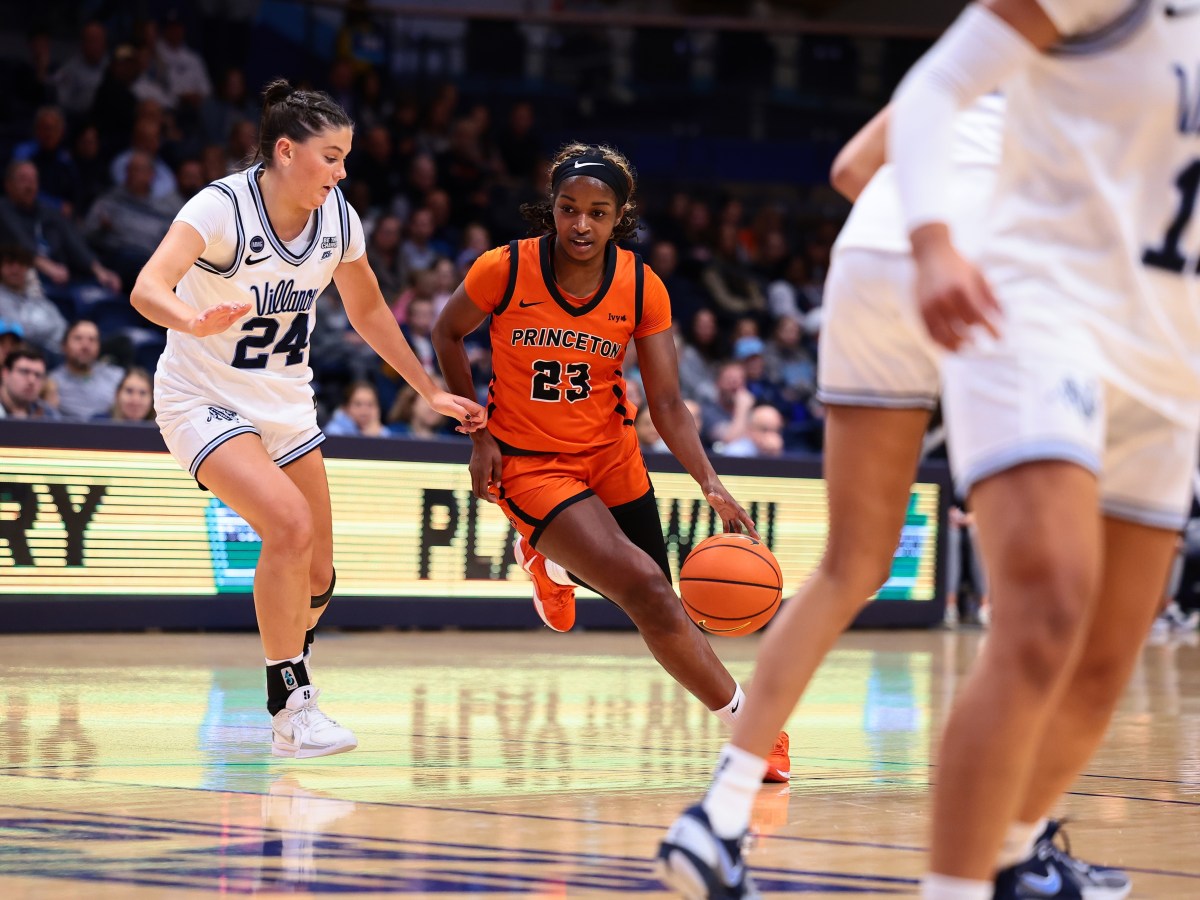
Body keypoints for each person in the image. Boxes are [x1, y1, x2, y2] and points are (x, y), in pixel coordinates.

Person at [658, 83, 1128, 900]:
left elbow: (849, 170)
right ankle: (1016, 854)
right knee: (1040, 607)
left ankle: (720, 814)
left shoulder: (978, 47)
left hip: (872, 255)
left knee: (850, 566)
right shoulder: (1142, 46)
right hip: (991, 268)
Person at [879, 3, 1200, 899]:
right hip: (1038, 311)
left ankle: (1012, 855)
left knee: (1104, 662)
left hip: (1173, 360)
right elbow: (935, 87)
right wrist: (934, 244)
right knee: (1048, 607)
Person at [130, 79, 484, 760]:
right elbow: (148, 285)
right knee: (287, 526)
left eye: (346, 158)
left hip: (286, 406)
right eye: (331, 157)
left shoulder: (337, 218)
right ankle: (290, 705)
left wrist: (428, 391)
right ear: (285, 151)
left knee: (318, 576)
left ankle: (288, 668)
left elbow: (371, 312)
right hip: (201, 398)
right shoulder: (222, 207)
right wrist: (188, 317)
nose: (341, 172)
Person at [433, 141, 790, 779]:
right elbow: (445, 330)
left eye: (597, 213)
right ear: (552, 207)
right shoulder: (503, 269)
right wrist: (476, 431)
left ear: (619, 216)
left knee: (660, 603)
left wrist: (711, 484)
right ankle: (753, 729)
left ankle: (548, 562)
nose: (580, 224)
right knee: (648, 587)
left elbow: (671, 404)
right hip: (530, 462)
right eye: (568, 208)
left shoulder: (640, 284)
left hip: (612, 455)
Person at [49, 319, 125, 421]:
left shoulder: (117, 376)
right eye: (78, 338)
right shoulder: (51, 382)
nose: (85, 345)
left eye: (92, 340)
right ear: (64, 345)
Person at [0, 345, 58, 419]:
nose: (32, 380)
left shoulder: (47, 414)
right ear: (5, 374)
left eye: (38, 375)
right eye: (24, 372)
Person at [324, 380, 394, 437]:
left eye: (370, 405)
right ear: (345, 408)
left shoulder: (384, 433)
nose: (364, 411)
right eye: (358, 404)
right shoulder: (333, 433)